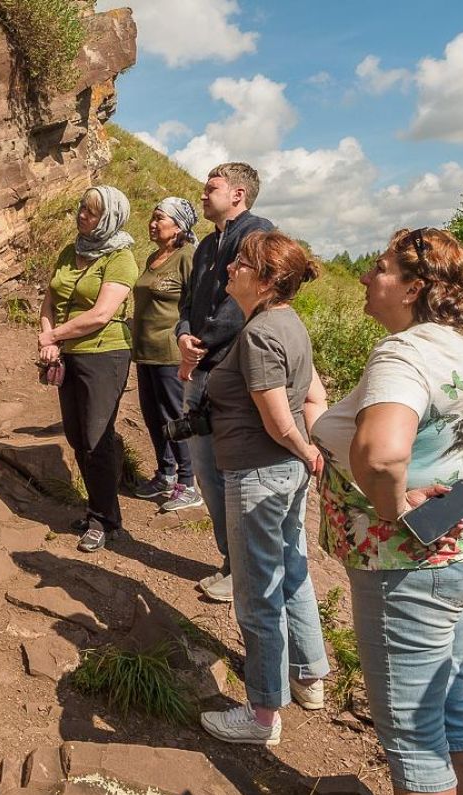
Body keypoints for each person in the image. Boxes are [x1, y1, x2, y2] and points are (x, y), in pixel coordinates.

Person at [312, 228, 463, 795]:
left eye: (379, 267)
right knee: (451, 698)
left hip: (409, 564)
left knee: (413, 735)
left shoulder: (404, 353)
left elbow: (381, 454)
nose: (364, 275)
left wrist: (396, 506)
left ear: (415, 287)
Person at [195, 230, 330, 746]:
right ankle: (309, 676)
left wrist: (303, 449)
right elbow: (314, 392)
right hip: (281, 474)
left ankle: (262, 716)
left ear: (268, 279)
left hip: (257, 474)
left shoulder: (258, 334)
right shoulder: (287, 323)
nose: (230, 270)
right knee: (292, 569)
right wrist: (306, 453)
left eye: (241, 265)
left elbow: (277, 419)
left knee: (256, 595)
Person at [177, 162, 274, 602]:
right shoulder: (207, 245)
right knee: (205, 470)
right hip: (198, 367)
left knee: (232, 472)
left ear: (238, 194)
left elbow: (243, 304)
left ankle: (242, 570)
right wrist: (184, 336)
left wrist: (203, 343)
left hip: (231, 373)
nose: (202, 193)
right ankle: (230, 561)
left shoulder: (256, 235)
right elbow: (188, 300)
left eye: (210, 188)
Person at [38, 186, 137, 553]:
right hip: (68, 353)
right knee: (77, 434)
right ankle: (101, 509)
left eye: (92, 213)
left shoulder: (122, 258)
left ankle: (103, 519)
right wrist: (49, 335)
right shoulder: (70, 251)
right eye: (81, 208)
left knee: (97, 436)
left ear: (108, 219)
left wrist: (53, 337)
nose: (82, 215)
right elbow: (50, 298)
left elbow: (101, 314)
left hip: (105, 354)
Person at [131, 197, 202, 512]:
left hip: (171, 352)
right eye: (152, 216)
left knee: (174, 415)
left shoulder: (187, 257)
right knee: (151, 414)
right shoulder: (152, 258)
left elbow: (197, 304)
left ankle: (188, 483)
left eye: (160, 218)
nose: (153, 222)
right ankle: (165, 473)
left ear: (178, 226)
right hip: (146, 351)